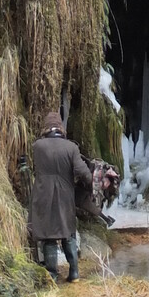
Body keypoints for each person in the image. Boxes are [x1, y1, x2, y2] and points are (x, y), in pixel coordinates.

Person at [28, 109, 93, 282]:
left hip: (43, 195)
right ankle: (74, 273)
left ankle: (52, 274)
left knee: (48, 236)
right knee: (68, 233)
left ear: (46, 128)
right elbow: (83, 173)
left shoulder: (37, 146)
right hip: (65, 197)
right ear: (60, 128)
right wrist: (86, 183)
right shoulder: (71, 147)